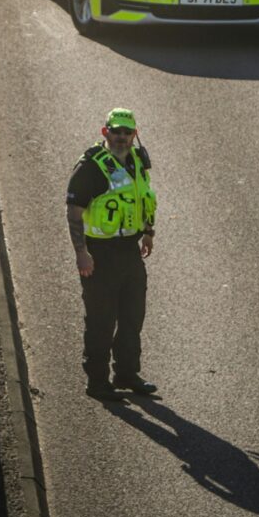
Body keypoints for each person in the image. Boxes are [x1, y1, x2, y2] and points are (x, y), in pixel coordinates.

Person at [67, 108, 158, 400]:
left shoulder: (136, 160)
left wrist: (148, 231)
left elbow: (142, 198)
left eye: (126, 132)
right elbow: (74, 212)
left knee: (133, 317)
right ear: (104, 132)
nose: (121, 137)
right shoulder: (91, 167)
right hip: (100, 254)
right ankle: (97, 383)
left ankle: (126, 375)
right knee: (101, 321)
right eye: (115, 131)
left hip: (129, 251)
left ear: (135, 134)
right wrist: (81, 253)